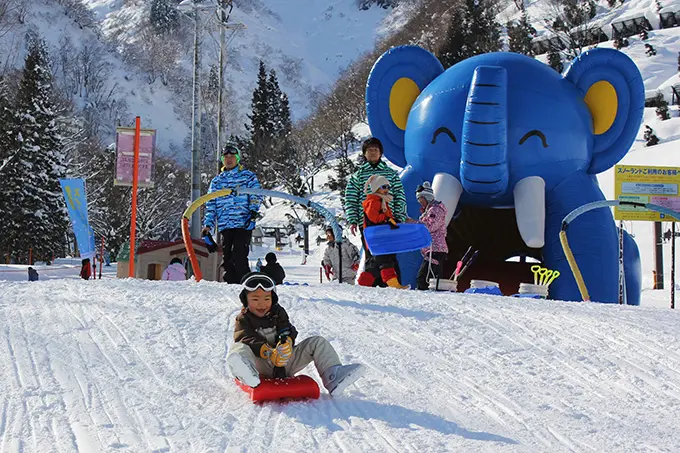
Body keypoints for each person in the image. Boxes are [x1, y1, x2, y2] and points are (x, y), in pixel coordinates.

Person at [226, 272, 365, 395]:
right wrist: (267, 352)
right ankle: (247, 373)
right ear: (245, 300)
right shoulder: (243, 318)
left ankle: (333, 376)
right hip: (260, 364)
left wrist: (286, 343)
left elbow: (286, 329)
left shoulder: (278, 313)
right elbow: (245, 337)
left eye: (267, 299)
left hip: (285, 362)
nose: (262, 304)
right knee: (239, 348)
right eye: (255, 299)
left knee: (317, 342)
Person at [202, 143, 262, 283]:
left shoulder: (248, 177)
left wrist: (253, 213)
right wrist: (208, 226)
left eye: (232, 156)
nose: (229, 159)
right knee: (227, 257)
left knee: (239, 255)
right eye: (226, 157)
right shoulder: (217, 181)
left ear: (238, 158)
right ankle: (231, 283)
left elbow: (257, 195)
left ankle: (246, 284)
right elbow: (211, 204)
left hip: (243, 223)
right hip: (225, 225)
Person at [344, 137, 407, 262]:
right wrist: (353, 220)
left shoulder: (390, 173)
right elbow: (351, 198)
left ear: (381, 153)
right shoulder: (358, 176)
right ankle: (370, 281)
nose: (373, 152)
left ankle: (391, 281)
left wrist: (400, 216)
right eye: (369, 150)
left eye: (375, 149)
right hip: (368, 223)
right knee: (372, 255)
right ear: (364, 153)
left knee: (390, 256)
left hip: (389, 220)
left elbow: (400, 195)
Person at [356, 175, 408, 289]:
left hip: (380, 237)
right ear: (376, 188)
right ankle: (393, 284)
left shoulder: (382, 201)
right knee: (385, 260)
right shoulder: (373, 201)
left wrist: (393, 221)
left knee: (375, 265)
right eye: (384, 187)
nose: (387, 189)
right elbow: (373, 217)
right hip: (375, 237)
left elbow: (386, 216)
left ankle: (363, 284)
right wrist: (386, 219)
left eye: (388, 187)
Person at [412, 182, 449, 290]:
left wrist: (414, 223)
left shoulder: (436, 210)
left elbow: (431, 226)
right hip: (430, 250)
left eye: (420, 199)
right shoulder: (427, 211)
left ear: (427, 197)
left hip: (436, 250)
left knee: (423, 279)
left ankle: (426, 302)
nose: (419, 202)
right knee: (429, 280)